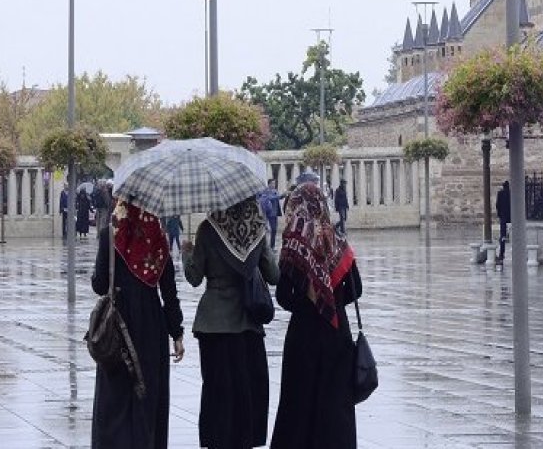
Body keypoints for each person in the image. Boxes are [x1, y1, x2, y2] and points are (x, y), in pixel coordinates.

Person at [271, 183, 363, 448]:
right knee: (335, 403)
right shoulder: (338, 242)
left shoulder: (293, 245)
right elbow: (357, 289)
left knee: (299, 402)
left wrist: (309, 301)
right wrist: (332, 302)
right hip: (337, 335)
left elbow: (284, 297)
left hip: (304, 336)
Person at [182, 199, 278, 449]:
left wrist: (186, 254)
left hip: (213, 323)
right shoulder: (256, 228)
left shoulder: (208, 228)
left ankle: (217, 440)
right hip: (247, 322)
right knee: (246, 390)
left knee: (217, 388)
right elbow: (274, 275)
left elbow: (194, 277)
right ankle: (245, 440)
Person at [91, 198, 185, 449]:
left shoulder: (109, 235)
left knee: (116, 397)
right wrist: (176, 333)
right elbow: (169, 292)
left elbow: (99, 284)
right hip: (151, 327)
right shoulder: (158, 238)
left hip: (117, 326)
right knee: (147, 394)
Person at [259, 179, 282, 249]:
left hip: (274, 213)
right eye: (272, 183)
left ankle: (272, 246)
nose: (274, 185)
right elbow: (270, 197)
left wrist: (283, 195)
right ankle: (264, 246)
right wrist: (279, 196)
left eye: (274, 183)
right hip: (267, 212)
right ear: (269, 184)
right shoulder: (266, 191)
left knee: (274, 230)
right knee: (265, 229)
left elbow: (278, 197)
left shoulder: (275, 191)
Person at [495, 181, 510, 263]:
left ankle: (501, 254)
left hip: (503, 216)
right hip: (512, 216)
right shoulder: (512, 193)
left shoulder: (500, 193)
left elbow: (497, 205)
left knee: (502, 235)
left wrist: (499, 214)